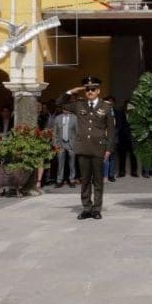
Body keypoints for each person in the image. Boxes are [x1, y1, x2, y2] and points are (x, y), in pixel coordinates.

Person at [57, 76, 115, 220]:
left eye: (93, 89)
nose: (90, 91)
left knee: (98, 180)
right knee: (85, 180)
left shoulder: (106, 107)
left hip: (98, 148)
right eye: (87, 89)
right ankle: (86, 208)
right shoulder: (79, 105)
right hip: (83, 148)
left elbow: (111, 130)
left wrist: (108, 149)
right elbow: (59, 103)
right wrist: (71, 91)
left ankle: (97, 208)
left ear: (98, 91)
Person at [111, 96, 138, 179]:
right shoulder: (120, 113)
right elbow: (118, 125)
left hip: (132, 138)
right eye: (126, 105)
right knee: (122, 156)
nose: (128, 107)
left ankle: (134, 172)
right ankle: (121, 172)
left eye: (129, 105)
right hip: (122, 138)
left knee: (133, 156)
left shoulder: (135, 115)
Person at [51, 102, 77, 187]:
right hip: (60, 144)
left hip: (71, 144)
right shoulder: (58, 118)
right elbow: (54, 132)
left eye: (67, 108)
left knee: (72, 163)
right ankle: (59, 180)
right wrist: (55, 144)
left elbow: (78, 132)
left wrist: (77, 144)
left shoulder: (75, 118)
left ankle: (72, 179)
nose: (65, 110)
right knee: (60, 163)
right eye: (64, 109)